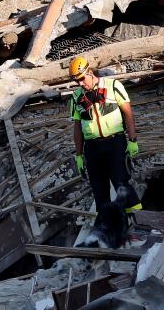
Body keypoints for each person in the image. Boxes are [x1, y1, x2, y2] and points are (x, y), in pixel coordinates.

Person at [69, 56, 142, 217]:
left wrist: (132, 140)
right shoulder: (76, 97)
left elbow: (128, 113)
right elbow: (77, 128)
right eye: (76, 81)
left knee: (122, 182)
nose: (80, 83)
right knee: (99, 188)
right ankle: (107, 229)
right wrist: (79, 155)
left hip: (115, 143)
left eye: (81, 79)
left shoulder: (113, 86)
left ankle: (139, 222)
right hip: (92, 148)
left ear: (89, 72)